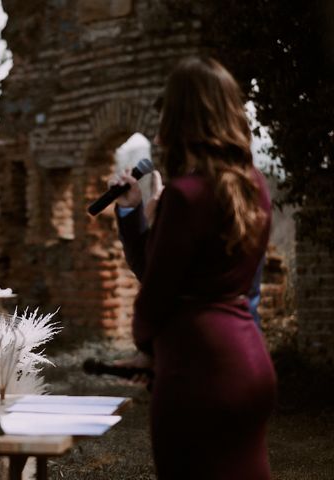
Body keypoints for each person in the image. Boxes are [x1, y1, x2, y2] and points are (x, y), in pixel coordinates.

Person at [112, 56, 277, 479]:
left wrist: (146, 344)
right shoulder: (254, 185)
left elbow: (157, 291)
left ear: (180, 117)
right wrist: (148, 217)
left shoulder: (185, 197)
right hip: (250, 359)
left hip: (198, 369)